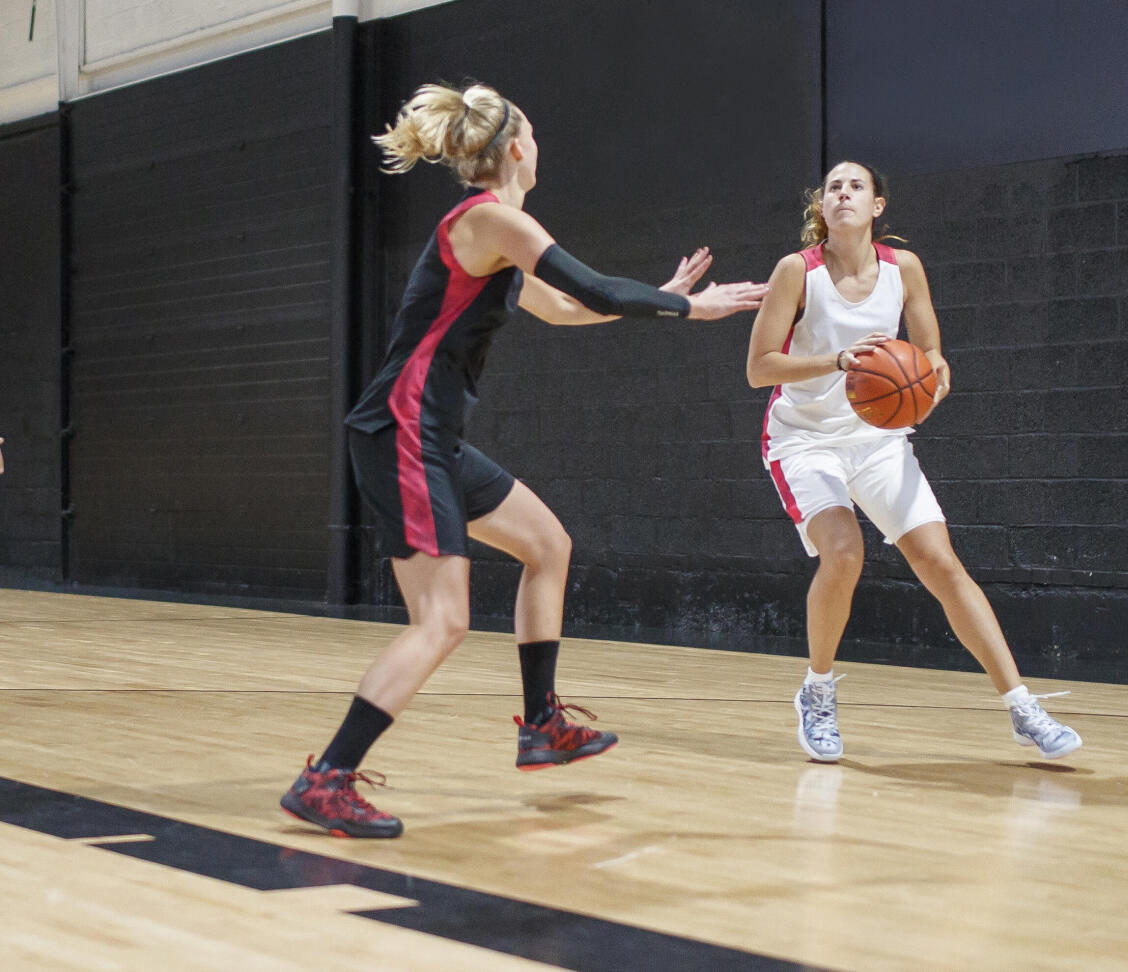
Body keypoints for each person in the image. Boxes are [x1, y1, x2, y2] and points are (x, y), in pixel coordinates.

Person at [280, 82, 768, 837]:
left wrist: (659, 295)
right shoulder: (490, 220)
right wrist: (687, 308)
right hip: (401, 430)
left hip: (429, 437)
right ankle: (328, 778)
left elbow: (571, 306)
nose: (539, 147)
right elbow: (594, 286)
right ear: (514, 148)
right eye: (534, 135)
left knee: (548, 546)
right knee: (443, 622)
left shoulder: (498, 235)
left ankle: (541, 724)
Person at [746, 160, 1081, 764]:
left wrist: (933, 380)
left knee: (940, 562)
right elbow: (759, 367)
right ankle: (817, 691)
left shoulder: (905, 269)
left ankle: (1022, 707)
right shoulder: (797, 271)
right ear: (821, 207)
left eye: (856, 186)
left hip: (876, 440)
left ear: (877, 207)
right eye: (833, 187)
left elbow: (931, 354)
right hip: (803, 439)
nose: (843, 193)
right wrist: (837, 361)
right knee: (844, 553)